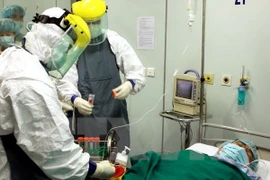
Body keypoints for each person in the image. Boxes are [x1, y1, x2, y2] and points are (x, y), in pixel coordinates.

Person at [0, 7, 115, 179]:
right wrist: (95, 169)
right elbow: (53, 151)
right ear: (55, 41)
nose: (66, 55)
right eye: (68, 47)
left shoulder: (16, 56)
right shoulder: (30, 79)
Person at [72, 0, 146, 151]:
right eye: (88, 23)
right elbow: (64, 80)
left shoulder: (114, 40)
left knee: (118, 161)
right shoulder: (73, 45)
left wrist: (129, 84)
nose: (92, 27)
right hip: (86, 116)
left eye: (96, 22)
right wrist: (75, 99)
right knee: (89, 163)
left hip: (115, 114)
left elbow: (137, 72)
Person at [123, 139, 261, 180]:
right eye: (237, 144)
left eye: (247, 151)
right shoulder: (195, 155)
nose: (241, 149)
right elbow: (161, 160)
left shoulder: (240, 175)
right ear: (221, 148)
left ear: (249, 164)